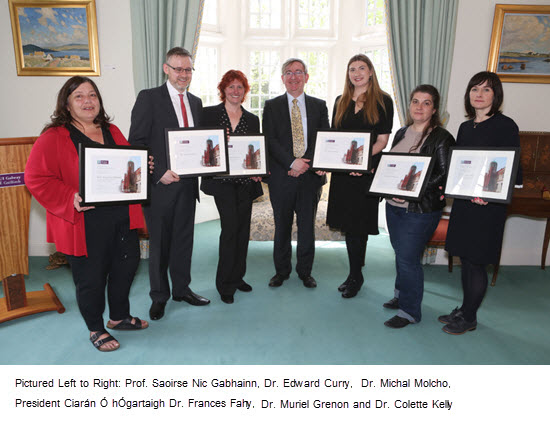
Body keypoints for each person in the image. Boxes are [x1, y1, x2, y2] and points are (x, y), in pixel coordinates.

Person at [25, 76, 148, 352]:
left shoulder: (112, 130)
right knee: (90, 278)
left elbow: (126, 167)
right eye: (79, 96)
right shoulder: (53, 137)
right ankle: (95, 327)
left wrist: (142, 166)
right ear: (67, 104)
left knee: (125, 267)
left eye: (92, 95)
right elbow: (35, 177)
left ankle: (118, 317)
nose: (87, 101)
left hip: (121, 216)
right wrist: (70, 197)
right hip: (83, 221)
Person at [129, 47, 210, 321]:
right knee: (160, 245)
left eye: (188, 69)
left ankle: (182, 289)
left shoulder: (197, 102)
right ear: (166, 69)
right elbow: (137, 143)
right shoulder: (149, 98)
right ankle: (159, 297)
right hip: (160, 186)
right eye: (178, 69)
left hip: (187, 187)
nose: (183, 74)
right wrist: (157, 172)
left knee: (184, 242)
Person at [442, 71, 522, 335]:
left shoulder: (505, 125)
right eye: (474, 89)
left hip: (488, 206)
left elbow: (511, 170)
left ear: (495, 95)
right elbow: (462, 166)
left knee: (476, 261)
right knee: (466, 258)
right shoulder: (465, 127)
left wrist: (489, 194)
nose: (479, 94)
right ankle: (464, 308)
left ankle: (470, 318)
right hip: (466, 203)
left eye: (486, 90)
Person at [382, 85, 455, 328]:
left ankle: (409, 312)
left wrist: (412, 193)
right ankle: (401, 295)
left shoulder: (442, 138)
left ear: (434, 109)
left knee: (408, 258)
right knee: (401, 253)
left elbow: (444, 174)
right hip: (393, 206)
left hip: (420, 209)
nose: (419, 107)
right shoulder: (401, 132)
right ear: (409, 105)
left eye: (426, 103)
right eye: (415, 101)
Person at [327, 54, 394, 298]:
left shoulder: (383, 100)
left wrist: (362, 161)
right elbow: (334, 139)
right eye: (352, 69)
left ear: (371, 72)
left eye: (362, 68)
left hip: (365, 172)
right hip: (344, 174)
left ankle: (356, 275)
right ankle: (354, 273)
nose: (357, 73)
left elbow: (382, 141)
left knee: (359, 226)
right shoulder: (340, 101)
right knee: (347, 225)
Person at [262, 58, 330, 288]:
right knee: (281, 226)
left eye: (298, 72)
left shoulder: (319, 105)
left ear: (306, 77)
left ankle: (305, 272)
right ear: (282, 79)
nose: (294, 77)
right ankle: (281, 272)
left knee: (306, 226)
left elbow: (323, 138)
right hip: (281, 177)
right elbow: (269, 140)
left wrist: (304, 164)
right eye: (289, 72)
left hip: (310, 178)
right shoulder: (271, 106)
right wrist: (291, 162)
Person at [200, 70, 263, 304]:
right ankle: (224, 284)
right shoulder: (209, 115)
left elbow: (256, 152)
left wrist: (258, 172)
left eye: (240, 87)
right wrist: (216, 141)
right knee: (230, 229)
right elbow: (202, 147)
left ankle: (238, 277)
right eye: (231, 87)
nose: (235, 91)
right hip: (221, 181)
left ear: (245, 91)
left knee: (242, 231)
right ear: (223, 89)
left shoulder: (252, 119)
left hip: (246, 182)